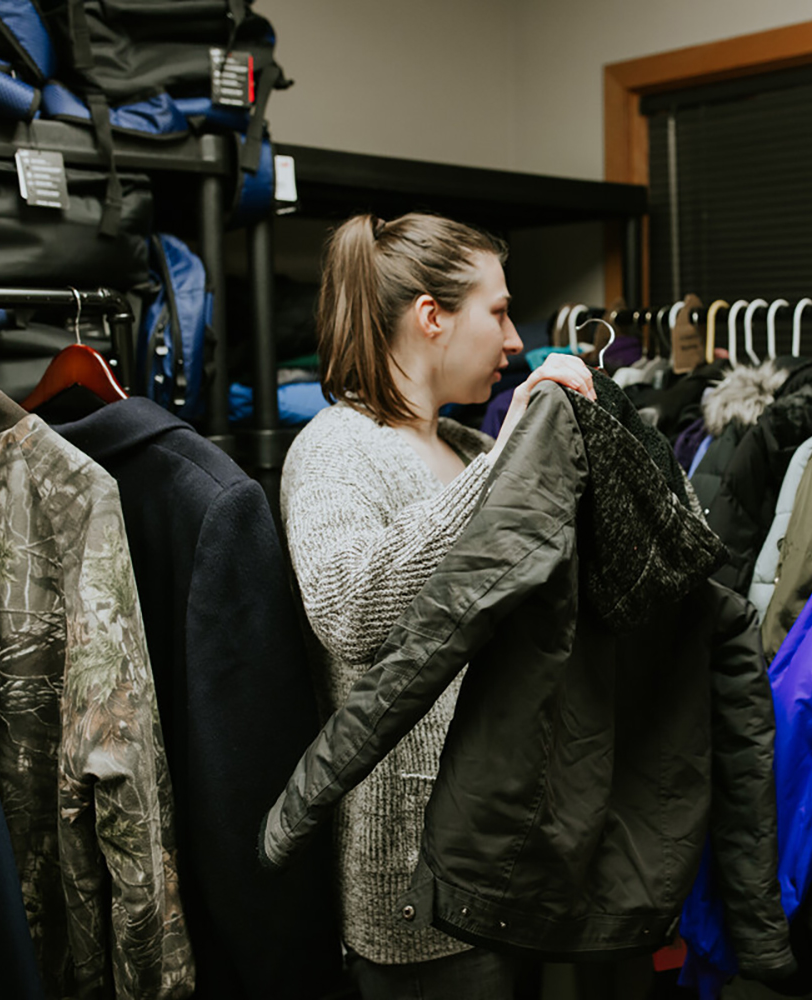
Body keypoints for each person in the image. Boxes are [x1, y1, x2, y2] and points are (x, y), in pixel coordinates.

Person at [279, 212, 595, 998]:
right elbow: (349, 612)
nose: (515, 341)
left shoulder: (465, 447)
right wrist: (508, 467)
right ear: (432, 317)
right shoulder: (336, 448)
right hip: (415, 891)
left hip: (516, 863)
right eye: (499, 311)